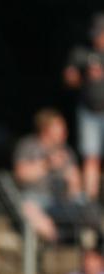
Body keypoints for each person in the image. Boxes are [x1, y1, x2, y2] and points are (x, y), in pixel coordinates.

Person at [13, 109, 96, 244]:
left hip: (61, 202)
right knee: (26, 208)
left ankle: (87, 237)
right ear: (46, 128)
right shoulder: (28, 145)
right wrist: (47, 165)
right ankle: (57, 239)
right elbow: (21, 174)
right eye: (59, 126)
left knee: (85, 203)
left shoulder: (66, 152)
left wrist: (72, 181)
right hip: (35, 199)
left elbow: (76, 187)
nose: (64, 130)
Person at [64, 13, 104, 201]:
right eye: (97, 33)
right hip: (89, 112)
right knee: (91, 157)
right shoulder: (81, 53)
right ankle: (90, 200)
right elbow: (69, 79)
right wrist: (84, 77)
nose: (98, 38)